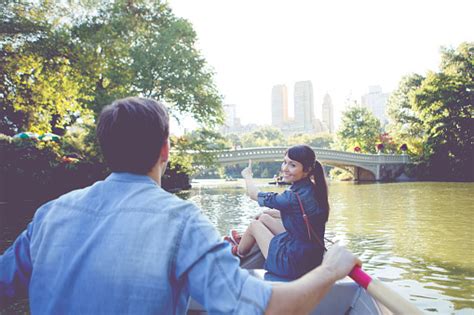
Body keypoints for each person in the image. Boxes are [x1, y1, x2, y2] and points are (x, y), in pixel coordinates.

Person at [0, 97, 360, 314]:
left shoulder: (50, 214)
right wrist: (330, 270)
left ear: (105, 150)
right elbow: (267, 309)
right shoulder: (183, 223)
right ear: (165, 151)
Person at [230, 145, 329, 280]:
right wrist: (270, 214)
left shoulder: (290, 197)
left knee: (254, 225)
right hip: (312, 259)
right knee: (264, 216)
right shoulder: (313, 189)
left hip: (292, 264)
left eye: (292, 165)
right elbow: (298, 214)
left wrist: (247, 175)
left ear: (307, 170)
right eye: (285, 162)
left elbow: (253, 194)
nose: (284, 169)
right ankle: (245, 240)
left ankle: (239, 252)